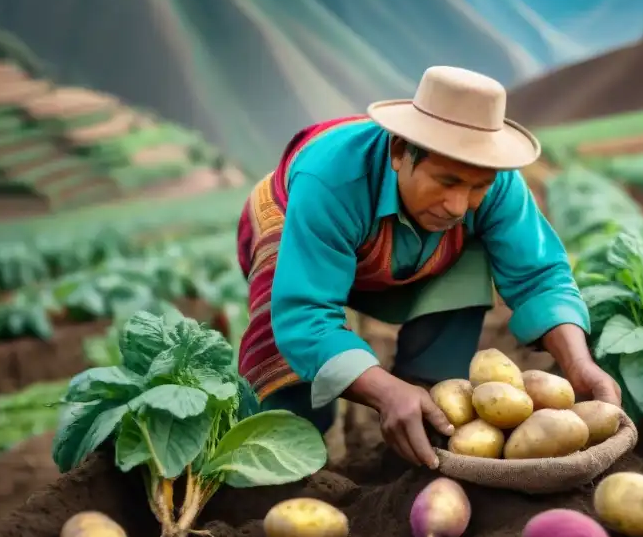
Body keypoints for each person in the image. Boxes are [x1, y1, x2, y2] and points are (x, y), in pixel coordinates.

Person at [236, 66, 621, 469]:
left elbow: (540, 276)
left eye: (477, 187)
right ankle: (292, 450)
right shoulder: (329, 182)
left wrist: (579, 365)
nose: (457, 205)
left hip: (403, 247)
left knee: (469, 257)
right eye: (446, 181)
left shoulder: (498, 184)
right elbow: (305, 313)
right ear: (400, 152)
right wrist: (383, 390)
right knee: (283, 360)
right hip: (292, 219)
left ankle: (426, 405)